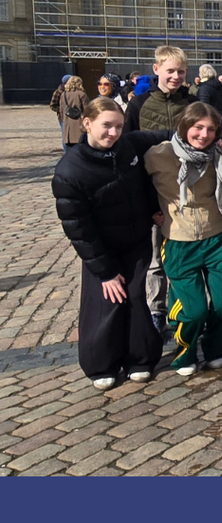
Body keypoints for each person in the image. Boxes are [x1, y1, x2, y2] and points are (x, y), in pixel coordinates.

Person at [51, 97, 168, 389]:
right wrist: (103, 270)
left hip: (136, 239)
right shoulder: (69, 172)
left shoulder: (128, 145)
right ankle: (101, 364)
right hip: (102, 247)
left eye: (118, 126)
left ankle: (141, 358)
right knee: (108, 301)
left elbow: (170, 134)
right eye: (106, 126)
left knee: (137, 297)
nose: (113, 133)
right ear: (87, 123)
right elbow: (78, 227)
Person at [145, 102, 222, 376]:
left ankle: (214, 348)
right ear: (185, 127)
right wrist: (151, 210)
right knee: (193, 310)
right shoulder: (157, 155)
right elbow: (136, 185)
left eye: (210, 129)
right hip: (178, 239)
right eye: (198, 128)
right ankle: (185, 354)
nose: (203, 135)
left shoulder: (219, 156)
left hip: (216, 236)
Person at [123, 45, 196, 332]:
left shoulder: (192, 104)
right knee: (155, 256)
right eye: (170, 71)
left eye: (180, 71)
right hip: (151, 188)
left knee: (186, 251)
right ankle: (156, 309)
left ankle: (189, 306)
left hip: (186, 188)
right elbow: (127, 147)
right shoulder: (139, 105)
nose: (175, 76)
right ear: (156, 70)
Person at [58, 76, 89, 154]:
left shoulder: (63, 95)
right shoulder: (81, 94)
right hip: (79, 125)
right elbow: (87, 110)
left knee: (70, 152)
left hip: (67, 127)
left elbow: (61, 110)